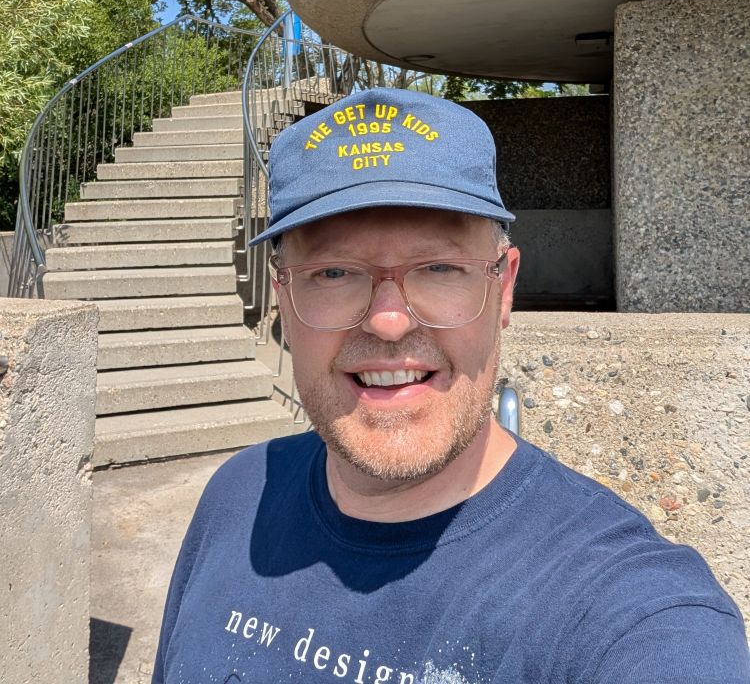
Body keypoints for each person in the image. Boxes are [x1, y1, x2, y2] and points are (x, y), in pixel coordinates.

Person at [152, 88, 749, 684]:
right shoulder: (237, 497)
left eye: (440, 268)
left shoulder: (629, 611)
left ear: (503, 288)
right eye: (333, 272)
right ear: (282, 295)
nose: (389, 321)